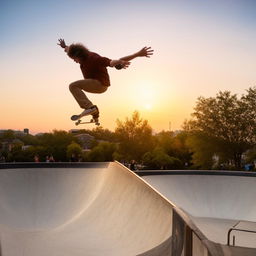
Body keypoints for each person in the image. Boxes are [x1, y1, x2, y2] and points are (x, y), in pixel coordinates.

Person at [57, 39, 154, 120]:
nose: (75, 61)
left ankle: (90, 107)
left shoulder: (94, 58)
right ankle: (95, 113)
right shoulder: (79, 54)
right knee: (75, 86)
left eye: (75, 59)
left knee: (73, 86)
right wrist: (64, 46)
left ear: (79, 55)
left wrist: (131, 57)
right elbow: (69, 49)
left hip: (99, 85)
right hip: (93, 84)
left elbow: (111, 62)